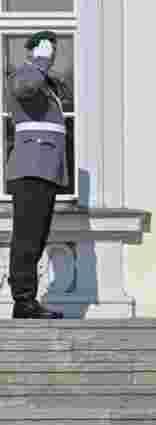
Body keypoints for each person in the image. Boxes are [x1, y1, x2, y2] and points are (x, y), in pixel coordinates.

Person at [5, 30, 69, 320]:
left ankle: (27, 299)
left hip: (44, 169)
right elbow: (25, 89)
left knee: (37, 236)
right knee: (27, 237)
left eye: (54, 48)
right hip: (31, 167)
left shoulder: (45, 81)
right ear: (33, 50)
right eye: (48, 47)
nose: (53, 53)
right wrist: (39, 62)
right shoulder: (24, 74)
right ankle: (23, 300)